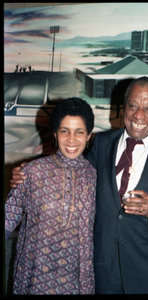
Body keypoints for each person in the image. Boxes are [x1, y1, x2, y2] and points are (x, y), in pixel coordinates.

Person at [10, 77, 148, 294]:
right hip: (101, 269)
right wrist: (26, 175)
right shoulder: (103, 143)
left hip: (146, 270)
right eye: (132, 106)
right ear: (124, 109)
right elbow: (75, 169)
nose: (138, 115)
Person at [5, 98, 97, 295]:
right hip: (36, 277)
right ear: (55, 134)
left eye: (79, 132)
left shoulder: (94, 175)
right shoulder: (32, 172)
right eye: (64, 131)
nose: (71, 139)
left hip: (78, 279)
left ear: (89, 135)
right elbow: (8, 218)